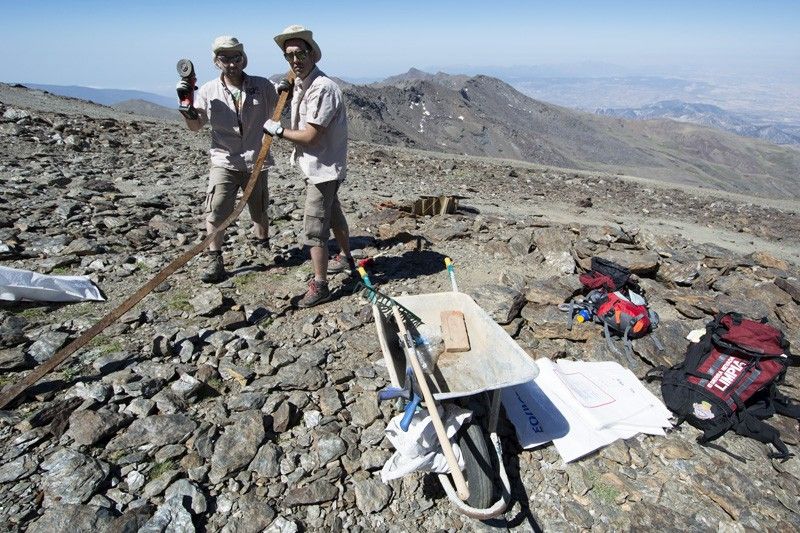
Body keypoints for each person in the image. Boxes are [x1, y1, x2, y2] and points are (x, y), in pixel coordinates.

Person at [264, 25, 355, 308]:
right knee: (334, 215)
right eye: (289, 55)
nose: (295, 60)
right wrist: (288, 89)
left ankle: (321, 284)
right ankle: (345, 257)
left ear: (312, 54)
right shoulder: (304, 82)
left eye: (300, 53)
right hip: (317, 165)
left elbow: (310, 135)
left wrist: (277, 131)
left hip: (323, 168)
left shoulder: (323, 88)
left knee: (314, 228)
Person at [177, 36, 278, 283]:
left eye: (235, 57)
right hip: (224, 160)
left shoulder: (261, 86)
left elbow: (280, 103)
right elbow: (196, 125)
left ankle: (262, 247)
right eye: (225, 58)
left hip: (257, 158)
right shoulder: (209, 91)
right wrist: (187, 109)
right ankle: (215, 259)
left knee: (259, 207)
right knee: (217, 209)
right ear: (216, 61)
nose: (231, 63)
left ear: (243, 58)